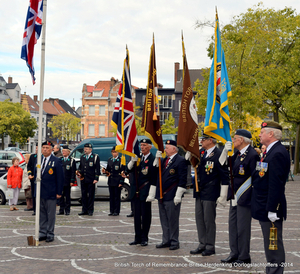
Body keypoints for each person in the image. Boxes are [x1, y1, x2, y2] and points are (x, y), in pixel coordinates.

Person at [251, 121, 290, 274]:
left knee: (273, 244)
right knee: (270, 243)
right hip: (264, 205)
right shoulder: (269, 151)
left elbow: (276, 184)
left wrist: (272, 209)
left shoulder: (278, 152)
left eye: (262, 132)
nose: (259, 135)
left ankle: (275, 271)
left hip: (271, 207)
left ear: (271, 134)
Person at [221, 130, 260, 264]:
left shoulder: (253, 155)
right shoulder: (237, 153)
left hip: (245, 197)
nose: (232, 140)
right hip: (234, 196)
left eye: (235, 138)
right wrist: (225, 152)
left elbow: (256, 178)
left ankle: (244, 256)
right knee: (233, 226)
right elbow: (224, 166)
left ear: (242, 140)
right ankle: (234, 253)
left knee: (243, 228)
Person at [190, 133, 229, 256]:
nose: (201, 141)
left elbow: (224, 175)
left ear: (210, 140)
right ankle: (202, 244)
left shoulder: (218, 154)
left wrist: (223, 194)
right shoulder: (201, 152)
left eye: (204, 139)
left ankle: (210, 246)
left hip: (211, 190)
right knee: (199, 219)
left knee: (208, 220)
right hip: (199, 190)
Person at [148, 140, 187, 251]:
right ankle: (166, 240)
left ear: (174, 149)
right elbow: (154, 172)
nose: (165, 149)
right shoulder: (164, 160)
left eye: (167, 148)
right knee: (164, 219)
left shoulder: (180, 160)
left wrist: (178, 195)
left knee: (172, 219)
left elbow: (182, 179)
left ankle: (174, 241)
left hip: (172, 194)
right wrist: (156, 159)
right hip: (162, 195)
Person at [126, 139, 158, 247]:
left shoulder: (153, 159)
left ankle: (145, 238)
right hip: (136, 191)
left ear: (149, 147)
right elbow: (128, 170)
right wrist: (132, 161)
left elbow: (154, 178)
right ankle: (137, 237)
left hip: (145, 191)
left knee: (145, 216)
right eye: (141, 145)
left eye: (144, 145)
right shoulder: (138, 158)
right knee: (136, 216)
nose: (142, 147)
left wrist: (152, 193)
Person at [37, 141, 64, 242]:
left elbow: (60, 178)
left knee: (51, 214)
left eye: (47, 148)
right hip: (41, 192)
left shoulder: (56, 161)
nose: (44, 149)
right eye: (43, 147)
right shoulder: (38, 160)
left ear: (51, 149)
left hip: (51, 192)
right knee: (42, 214)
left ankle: (50, 233)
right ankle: (42, 232)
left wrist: (59, 192)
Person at [77, 143, 100, 216]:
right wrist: (79, 173)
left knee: (90, 195)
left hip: (91, 179)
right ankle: (84, 210)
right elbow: (81, 167)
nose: (85, 150)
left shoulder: (95, 157)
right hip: (83, 179)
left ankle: (90, 210)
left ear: (90, 150)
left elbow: (97, 168)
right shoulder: (83, 157)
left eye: (86, 149)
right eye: (84, 149)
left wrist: (96, 178)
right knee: (84, 195)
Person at [103, 146, 124, 216]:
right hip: (111, 180)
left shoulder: (121, 160)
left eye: (115, 152)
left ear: (118, 152)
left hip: (117, 180)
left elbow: (122, 172)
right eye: (113, 152)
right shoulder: (110, 160)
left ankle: (116, 211)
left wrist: (121, 182)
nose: (114, 153)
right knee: (111, 197)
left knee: (117, 197)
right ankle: (111, 210)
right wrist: (105, 171)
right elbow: (108, 169)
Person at [57, 147, 76, 215]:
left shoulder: (71, 160)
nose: (63, 152)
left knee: (67, 196)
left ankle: (67, 210)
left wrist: (72, 181)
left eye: (65, 151)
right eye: (63, 151)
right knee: (61, 196)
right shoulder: (60, 160)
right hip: (61, 181)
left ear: (68, 152)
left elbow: (73, 171)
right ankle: (61, 209)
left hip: (67, 181)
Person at [27, 144, 38, 215]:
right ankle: (35, 209)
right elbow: (29, 167)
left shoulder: (43, 157)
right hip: (33, 179)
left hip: (42, 180)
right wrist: (30, 174)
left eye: (38, 148)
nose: (36, 150)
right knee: (34, 194)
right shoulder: (32, 156)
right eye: (36, 148)